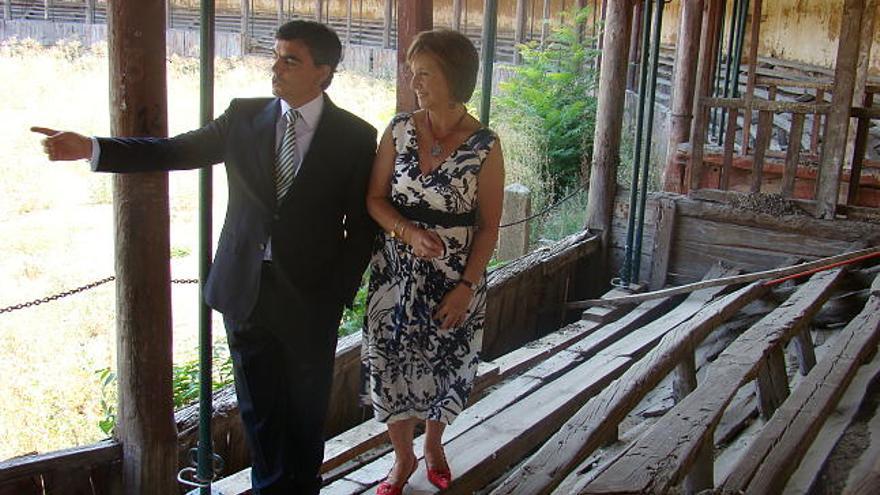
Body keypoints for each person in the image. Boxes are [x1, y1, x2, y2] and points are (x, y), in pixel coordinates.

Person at [31, 20, 377, 495]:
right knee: (259, 413)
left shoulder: (355, 136)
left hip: (311, 298)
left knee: (305, 410)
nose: (275, 68)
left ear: (324, 72)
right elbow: (176, 150)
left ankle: (301, 487)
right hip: (245, 291)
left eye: (290, 59)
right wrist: (93, 148)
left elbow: (362, 225)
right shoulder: (244, 116)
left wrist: (338, 290)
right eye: (275, 56)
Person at [361, 29, 505, 495]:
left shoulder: (485, 145)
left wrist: (466, 287)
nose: (414, 80)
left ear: (454, 77)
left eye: (424, 73)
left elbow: (487, 226)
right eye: (412, 71)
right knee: (389, 362)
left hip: (454, 278)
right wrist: (407, 232)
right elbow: (375, 199)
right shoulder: (399, 128)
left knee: (446, 363)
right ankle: (402, 459)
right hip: (395, 273)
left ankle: (435, 445)